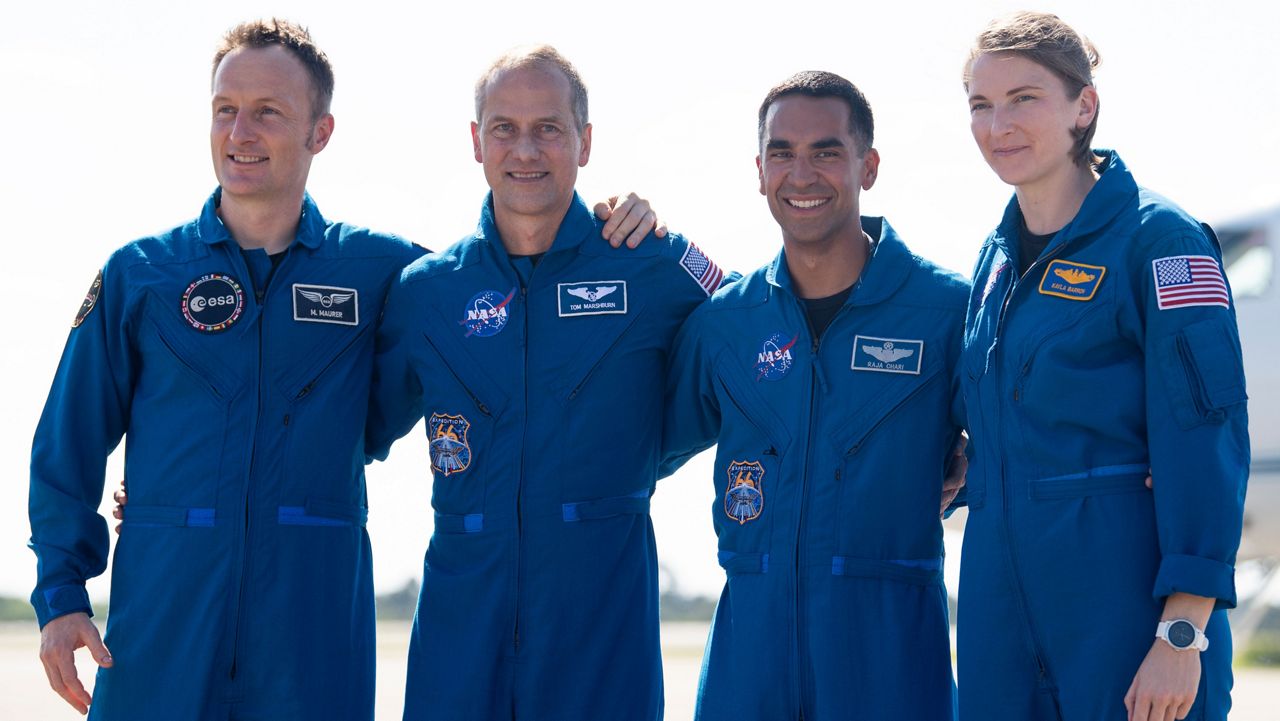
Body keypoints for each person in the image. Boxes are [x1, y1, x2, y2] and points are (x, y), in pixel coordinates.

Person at [30, 20, 656, 720]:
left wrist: (609, 230)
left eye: (268, 112)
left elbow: (514, 288)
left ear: (320, 131)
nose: (240, 131)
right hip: (162, 628)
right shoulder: (140, 275)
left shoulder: (388, 274)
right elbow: (66, 443)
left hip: (313, 637)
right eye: (225, 109)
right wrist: (61, 593)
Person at [365, 45, 730, 721]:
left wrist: (650, 450)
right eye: (504, 127)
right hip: (459, 628)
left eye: (549, 128)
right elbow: (344, 428)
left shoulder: (649, 263)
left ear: (585, 142)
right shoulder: (428, 292)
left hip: (602, 627)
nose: (525, 149)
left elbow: (767, 335)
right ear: (476, 141)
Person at [958, 12, 1247, 721]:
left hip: (1122, 609)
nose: (998, 125)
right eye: (980, 104)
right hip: (999, 617)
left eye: (1023, 98)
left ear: (1083, 107)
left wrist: (1182, 632)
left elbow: (1205, 436)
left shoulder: (1160, 242)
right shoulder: (993, 263)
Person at [660, 71, 969, 720]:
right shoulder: (727, 323)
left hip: (890, 658)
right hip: (748, 662)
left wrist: (964, 471)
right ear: (759, 171)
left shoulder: (944, 313)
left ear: (868, 167)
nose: (801, 175)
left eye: (826, 152)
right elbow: (630, 448)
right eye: (782, 153)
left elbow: (1021, 449)